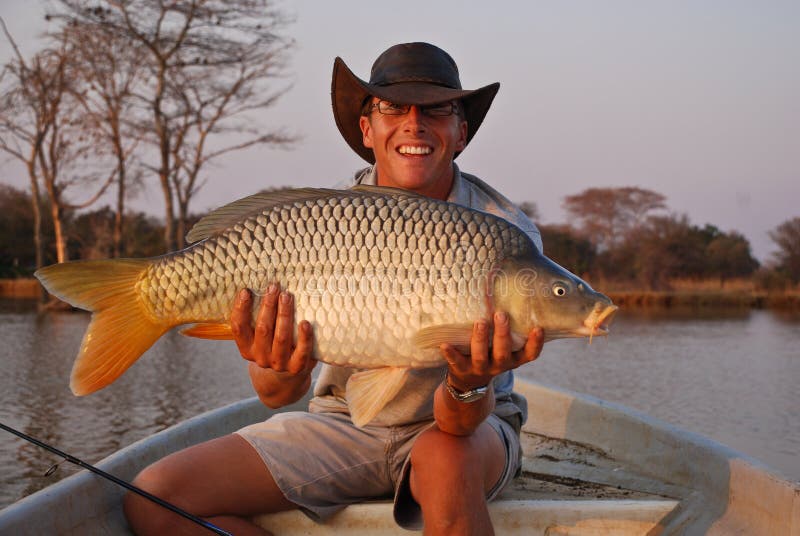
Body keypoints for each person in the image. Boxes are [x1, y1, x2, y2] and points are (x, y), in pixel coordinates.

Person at [123, 42, 545, 536]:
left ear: (461, 133)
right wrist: (277, 364)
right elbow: (279, 393)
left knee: (442, 458)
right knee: (152, 498)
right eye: (393, 108)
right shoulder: (324, 222)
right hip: (344, 423)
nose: (415, 123)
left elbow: (459, 422)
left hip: (466, 431)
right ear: (368, 129)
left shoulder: (504, 234)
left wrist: (469, 381)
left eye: (436, 109)